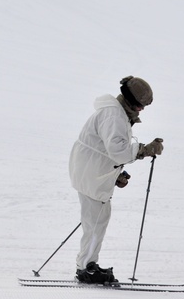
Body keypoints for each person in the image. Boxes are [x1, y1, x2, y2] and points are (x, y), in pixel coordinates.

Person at [68, 76, 164, 284]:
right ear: (130, 101)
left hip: (92, 171)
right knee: (95, 223)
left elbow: (105, 150)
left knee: (96, 221)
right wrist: (145, 150)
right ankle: (86, 269)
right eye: (140, 105)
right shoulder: (114, 117)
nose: (141, 110)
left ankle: (88, 264)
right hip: (92, 175)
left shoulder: (115, 113)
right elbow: (118, 151)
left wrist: (115, 174)